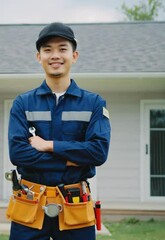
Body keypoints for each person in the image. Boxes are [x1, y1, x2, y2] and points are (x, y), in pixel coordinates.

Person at [7, 22, 111, 240]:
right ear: (39, 57)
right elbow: (18, 154)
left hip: (75, 204)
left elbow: (98, 152)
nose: (55, 55)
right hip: (30, 203)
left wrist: (49, 146)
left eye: (62, 48)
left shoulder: (93, 103)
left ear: (74, 55)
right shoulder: (22, 104)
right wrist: (70, 159)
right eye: (48, 50)